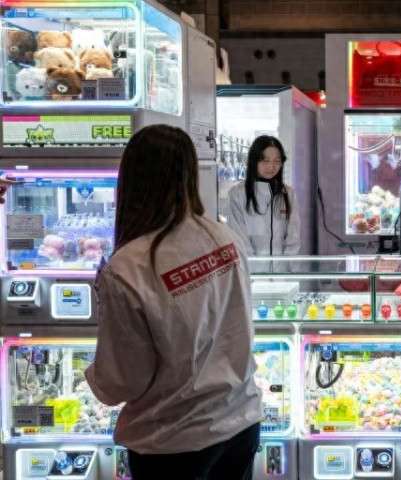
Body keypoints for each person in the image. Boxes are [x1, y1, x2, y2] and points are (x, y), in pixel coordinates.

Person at [85, 125, 261, 480]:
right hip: (240, 423)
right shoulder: (224, 237)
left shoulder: (128, 266)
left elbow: (123, 381)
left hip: (172, 441)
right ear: (189, 174)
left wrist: (91, 377)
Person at [228, 135, 300, 256]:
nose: (271, 166)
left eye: (277, 161)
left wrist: (287, 266)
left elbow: (293, 239)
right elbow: (239, 240)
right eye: (266, 160)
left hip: (282, 267)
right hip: (251, 267)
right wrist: (254, 266)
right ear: (254, 161)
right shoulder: (237, 194)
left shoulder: (288, 194)